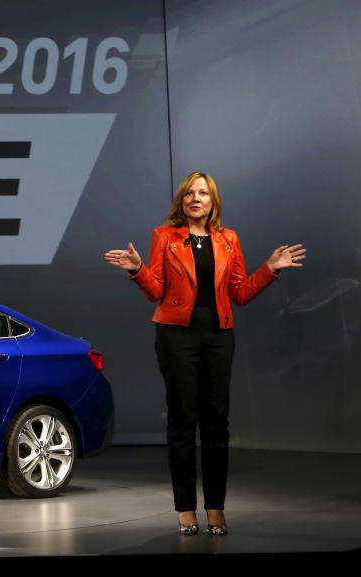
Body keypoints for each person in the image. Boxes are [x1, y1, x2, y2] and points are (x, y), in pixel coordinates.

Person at [104, 171, 305, 535]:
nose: (196, 199)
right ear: (181, 201)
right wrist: (137, 270)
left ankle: (215, 508)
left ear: (213, 201)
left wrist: (270, 270)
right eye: (189, 194)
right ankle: (185, 509)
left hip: (218, 336)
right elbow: (156, 292)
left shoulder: (229, 240)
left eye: (203, 193)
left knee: (216, 423)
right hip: (176, 335)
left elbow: (240, 294)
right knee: (183, 420)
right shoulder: (164, 237)